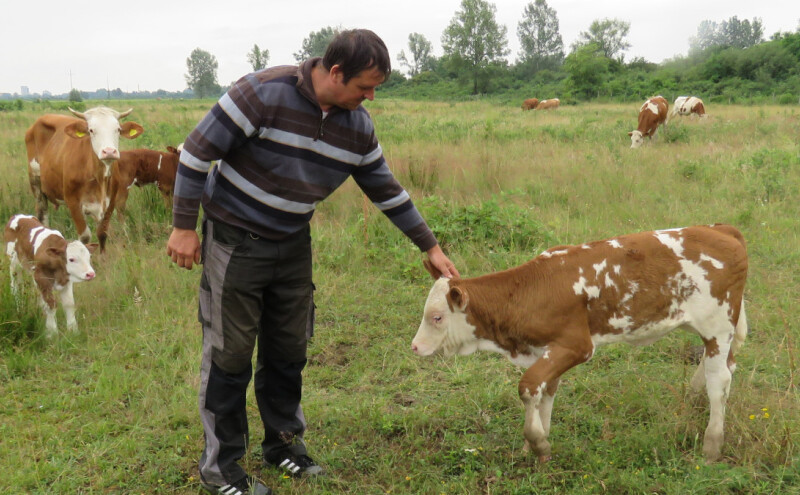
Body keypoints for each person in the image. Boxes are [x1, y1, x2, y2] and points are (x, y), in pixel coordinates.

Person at [166, 29, 459, 495]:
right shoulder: (262, 92)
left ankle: (284, 446)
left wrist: (430, 245)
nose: (370, 97)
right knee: (229, 354)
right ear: (335, 72)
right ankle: (221, 470)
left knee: (288, 349)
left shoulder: (357, 125)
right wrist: (183, 226)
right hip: (235, 241)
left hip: (292, 244)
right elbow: (197, 152)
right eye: (365, 86)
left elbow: (385, 187)